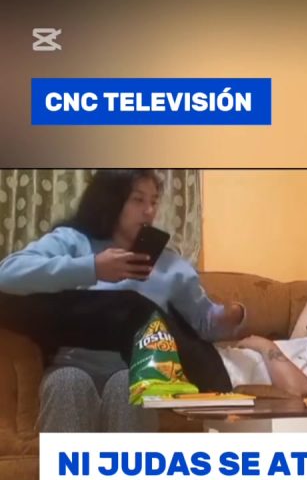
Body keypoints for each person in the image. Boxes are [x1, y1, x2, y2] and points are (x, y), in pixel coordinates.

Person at [0, 169, 245, 432]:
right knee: (67, 382)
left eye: (154, 201)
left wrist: (231, 316)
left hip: (137, 371)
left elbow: (204, 323)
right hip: (72, 364)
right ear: (111, 200)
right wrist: (92, 268)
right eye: (138, 200)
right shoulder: (74, 241)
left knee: (126, 384)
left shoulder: (171, 266)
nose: (149, 211)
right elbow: (7, 274)